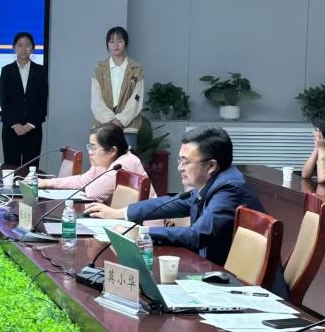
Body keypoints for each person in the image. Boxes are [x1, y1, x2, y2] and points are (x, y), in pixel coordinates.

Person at [85, 126, 263, 265]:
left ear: (211, 166)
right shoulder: (215, 182)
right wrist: (120, 213)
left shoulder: (229, 189)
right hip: (209, 268)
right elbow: (173, 203)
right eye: (180, 160)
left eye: (185, 162)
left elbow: (196, 235)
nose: (179, 168)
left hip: (232, 283)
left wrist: (140, 233)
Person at [38, 123, 152, 203]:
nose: (89, 152)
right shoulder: (104, 162)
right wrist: (48, 183)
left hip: (144, 226)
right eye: (89, 146)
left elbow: (93, 192)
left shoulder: (125, 163)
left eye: (93, 148)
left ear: (112, 151)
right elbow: (83, 180)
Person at [0, 32, 48, 168]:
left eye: (27, 45)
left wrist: (29, 126)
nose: (24, 49)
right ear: (14, 48)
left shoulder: (41, 71)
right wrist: (16, 125)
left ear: (33, 48)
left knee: (31, 170)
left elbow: (42, 101)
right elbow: (4, 101)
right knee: (10, 169)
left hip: (33, 130)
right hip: (11, 129)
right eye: (20, 45)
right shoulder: (6, 71)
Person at [90, 26, 144, 146]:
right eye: (111, 41)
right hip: (103, 125)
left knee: (127, 157)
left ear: (126, 43)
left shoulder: (136, 68)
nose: (116, 45)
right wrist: (110, 120)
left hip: (128, 126)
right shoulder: (99, 68)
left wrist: (121, 120)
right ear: (107, 45)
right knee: (103, 157)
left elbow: (137, 98)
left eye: (119, 41)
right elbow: (96, 100)